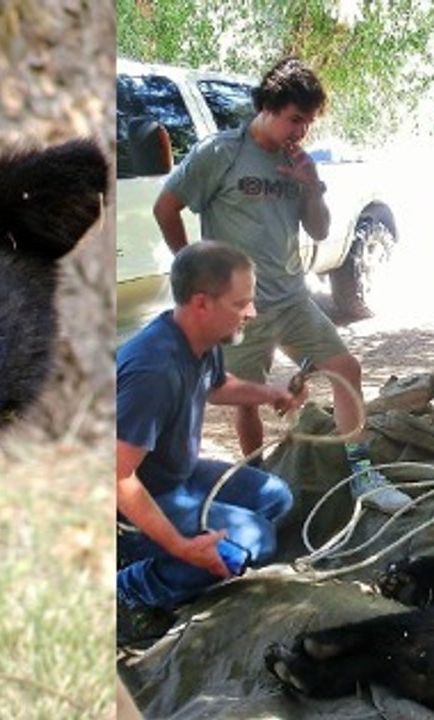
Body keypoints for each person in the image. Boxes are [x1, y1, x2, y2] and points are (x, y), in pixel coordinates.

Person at [152, 56, 409, 513]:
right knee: (245, 400)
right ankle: (260, 484)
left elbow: (319, 230)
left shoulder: (298, 162)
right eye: (295, 119)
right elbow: (166, 207)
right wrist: (191, 269)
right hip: (239, 308)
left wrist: (311, 186)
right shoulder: (220, 154)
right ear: (268, 107)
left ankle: (362, 474)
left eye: (307, 123)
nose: (301, 132)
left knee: (345, 369)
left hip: (293, 299)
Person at [116, 242, 300, 645]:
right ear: (202, 303)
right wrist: (182, 547)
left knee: (277, 498)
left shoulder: (200, 338)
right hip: (135, 496)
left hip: (176, 475)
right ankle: (129, 587)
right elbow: (118, 477)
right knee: (256, 542)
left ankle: (157, 552)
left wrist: (270, 394)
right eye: (241, 303)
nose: (250, 313)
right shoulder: (154, 370)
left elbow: (216, 387)